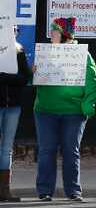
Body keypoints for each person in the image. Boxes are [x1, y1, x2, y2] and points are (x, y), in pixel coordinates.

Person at [34, 17, 96, 202]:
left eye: (54, 32)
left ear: (64, 35)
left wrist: (87, 105)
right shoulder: (45, 53)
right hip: (45, 110)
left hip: (74, 112)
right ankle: (45, 191)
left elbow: (92, 82)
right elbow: (32, 80)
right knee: (46, 150)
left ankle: (73, 190)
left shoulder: (82, 55)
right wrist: (34, 72)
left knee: (71, 150)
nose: (51, 36)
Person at [0, 26, 32, 201]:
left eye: (16, 30)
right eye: (11, 30)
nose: (14, 32)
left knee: (6, 148)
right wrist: (10, 78)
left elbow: (24, 77)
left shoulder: (19, 51)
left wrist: (4, 77)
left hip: (13, 106)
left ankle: (4, 190)